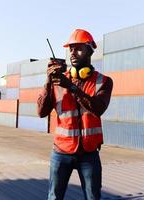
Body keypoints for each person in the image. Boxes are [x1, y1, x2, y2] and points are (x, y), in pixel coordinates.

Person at [37, 29, 113, 200]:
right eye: (71, 49)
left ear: (90, 51)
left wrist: (71, 87)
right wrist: (48, 82)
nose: (73, 52)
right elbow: (41, 112)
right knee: (54, 197)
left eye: (78, 48)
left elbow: (98, 108)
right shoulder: (57, 81)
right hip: (61, 152)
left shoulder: (103, 81)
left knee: (93, 197)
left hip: (89, 153)